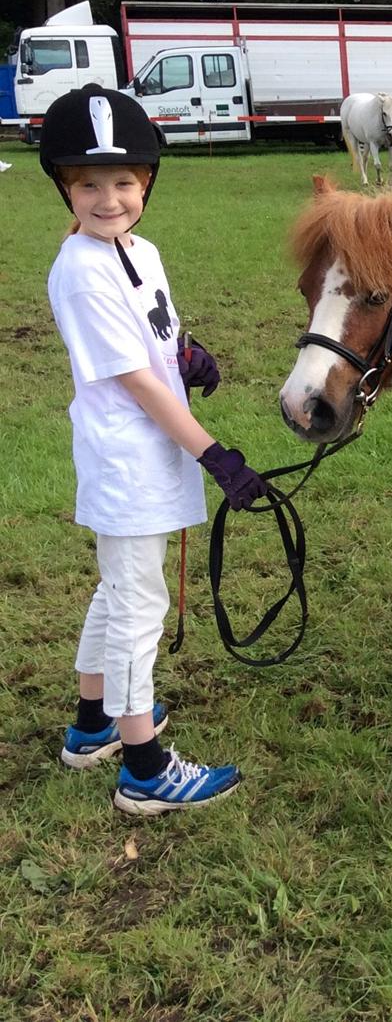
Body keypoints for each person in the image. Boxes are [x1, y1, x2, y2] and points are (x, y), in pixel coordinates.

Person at [41, 84, 269, 816]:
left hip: (150, 455)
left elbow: (157, 337)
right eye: (89, 185)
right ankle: (143, 766)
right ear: (64, 189)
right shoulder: (80, 269)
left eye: (124, 182)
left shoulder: (141, 250)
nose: (109, 199)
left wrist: (190, 353)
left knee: (118, 590)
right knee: (141, 603)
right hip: (127, 457)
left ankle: (92, 725)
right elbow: (137, 381)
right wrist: (215, 454)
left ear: (147, 184)